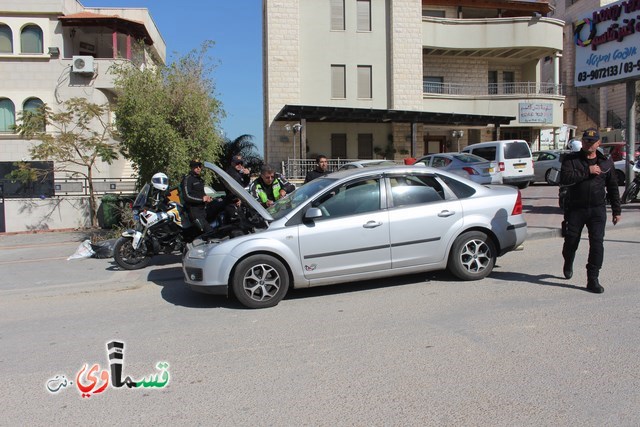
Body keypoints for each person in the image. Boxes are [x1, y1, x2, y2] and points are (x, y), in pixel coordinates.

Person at [560, 128, 621, 293]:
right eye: (586, 140)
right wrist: (587, 171)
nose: (589, 144)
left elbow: (613, 187)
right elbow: (564, 179)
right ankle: (568, 260)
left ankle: (592, 279)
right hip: (575, 209)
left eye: (593, 142)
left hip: (597, 210)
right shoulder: (571, 160)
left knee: (597, 244)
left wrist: (617, 210)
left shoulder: (606, 163)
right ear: (583, 142)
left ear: (599, 143)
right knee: (571, 242)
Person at [181, 159, 215, 234]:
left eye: (199, 166)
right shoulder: (187, 179)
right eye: (196, 166)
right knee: (209, 232)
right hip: (195, 212)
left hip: (203, 210)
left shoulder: (199, 179)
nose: (198, 168)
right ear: (191, 167)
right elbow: (187, 196)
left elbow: (200, 194)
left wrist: (208, 198)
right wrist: (202, 199)